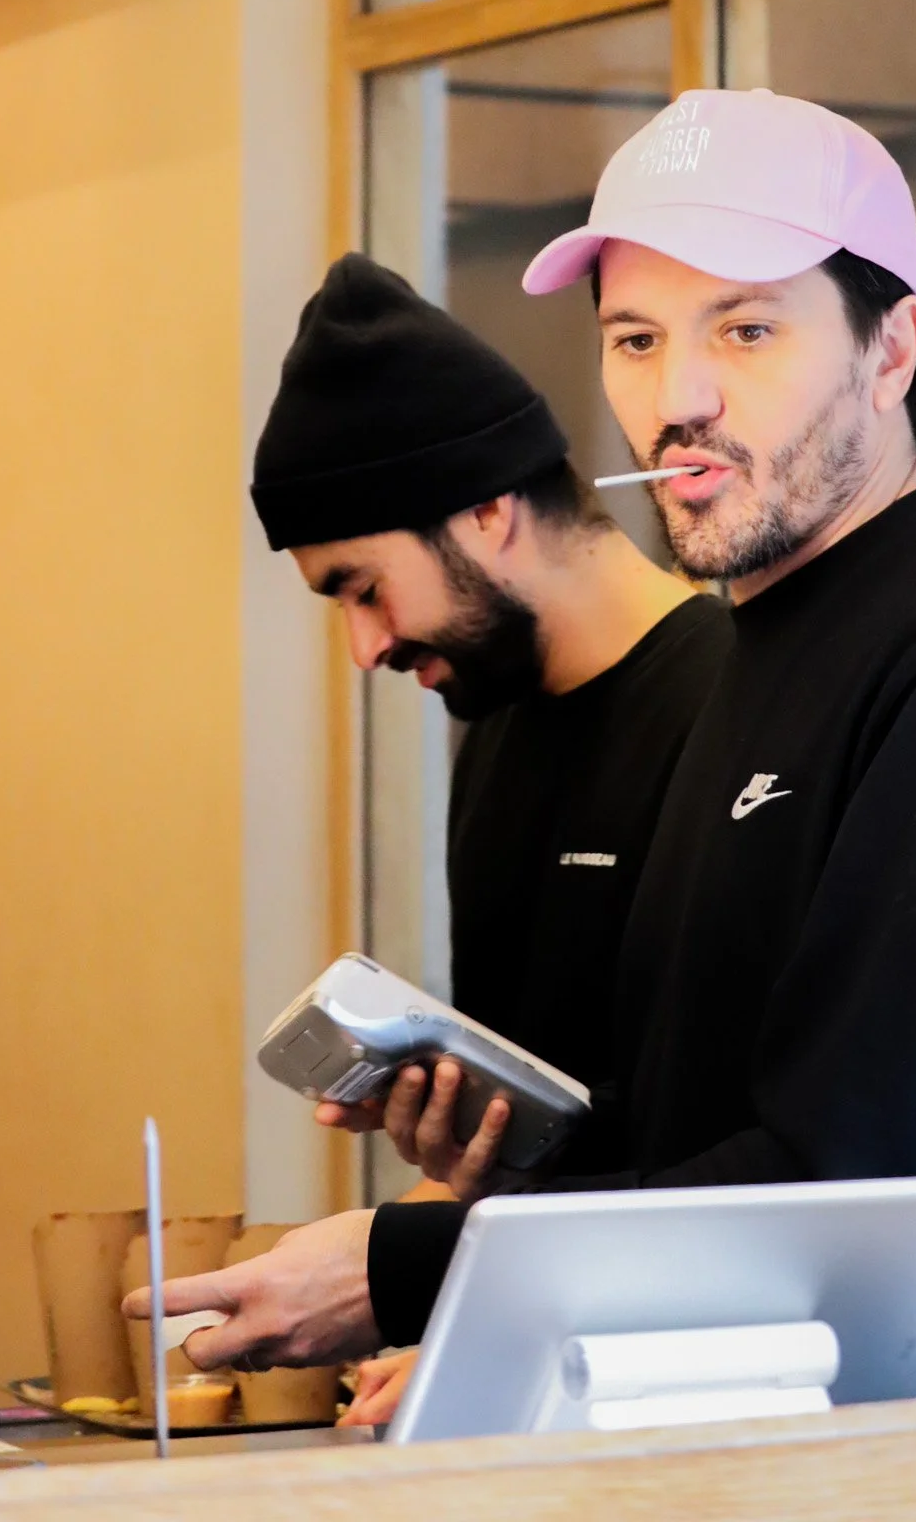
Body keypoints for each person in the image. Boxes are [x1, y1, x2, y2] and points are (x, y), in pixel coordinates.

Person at [133, 90, 916, 1376]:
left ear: (891, 346)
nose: (680, 397)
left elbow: (869, 1203)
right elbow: (717, 1133)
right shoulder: (760, 650)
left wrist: (401, 1265)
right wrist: (519, 1156)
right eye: (635, 338)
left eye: (747, 328)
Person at [123, 252, 727, 1408]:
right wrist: (450, 1190)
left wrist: (412, 1281)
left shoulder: (743, 712)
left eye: (365, 588)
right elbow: (557, 1156)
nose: (365, 648)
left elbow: (736, 1171)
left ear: (489, 509)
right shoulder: (495, 736)